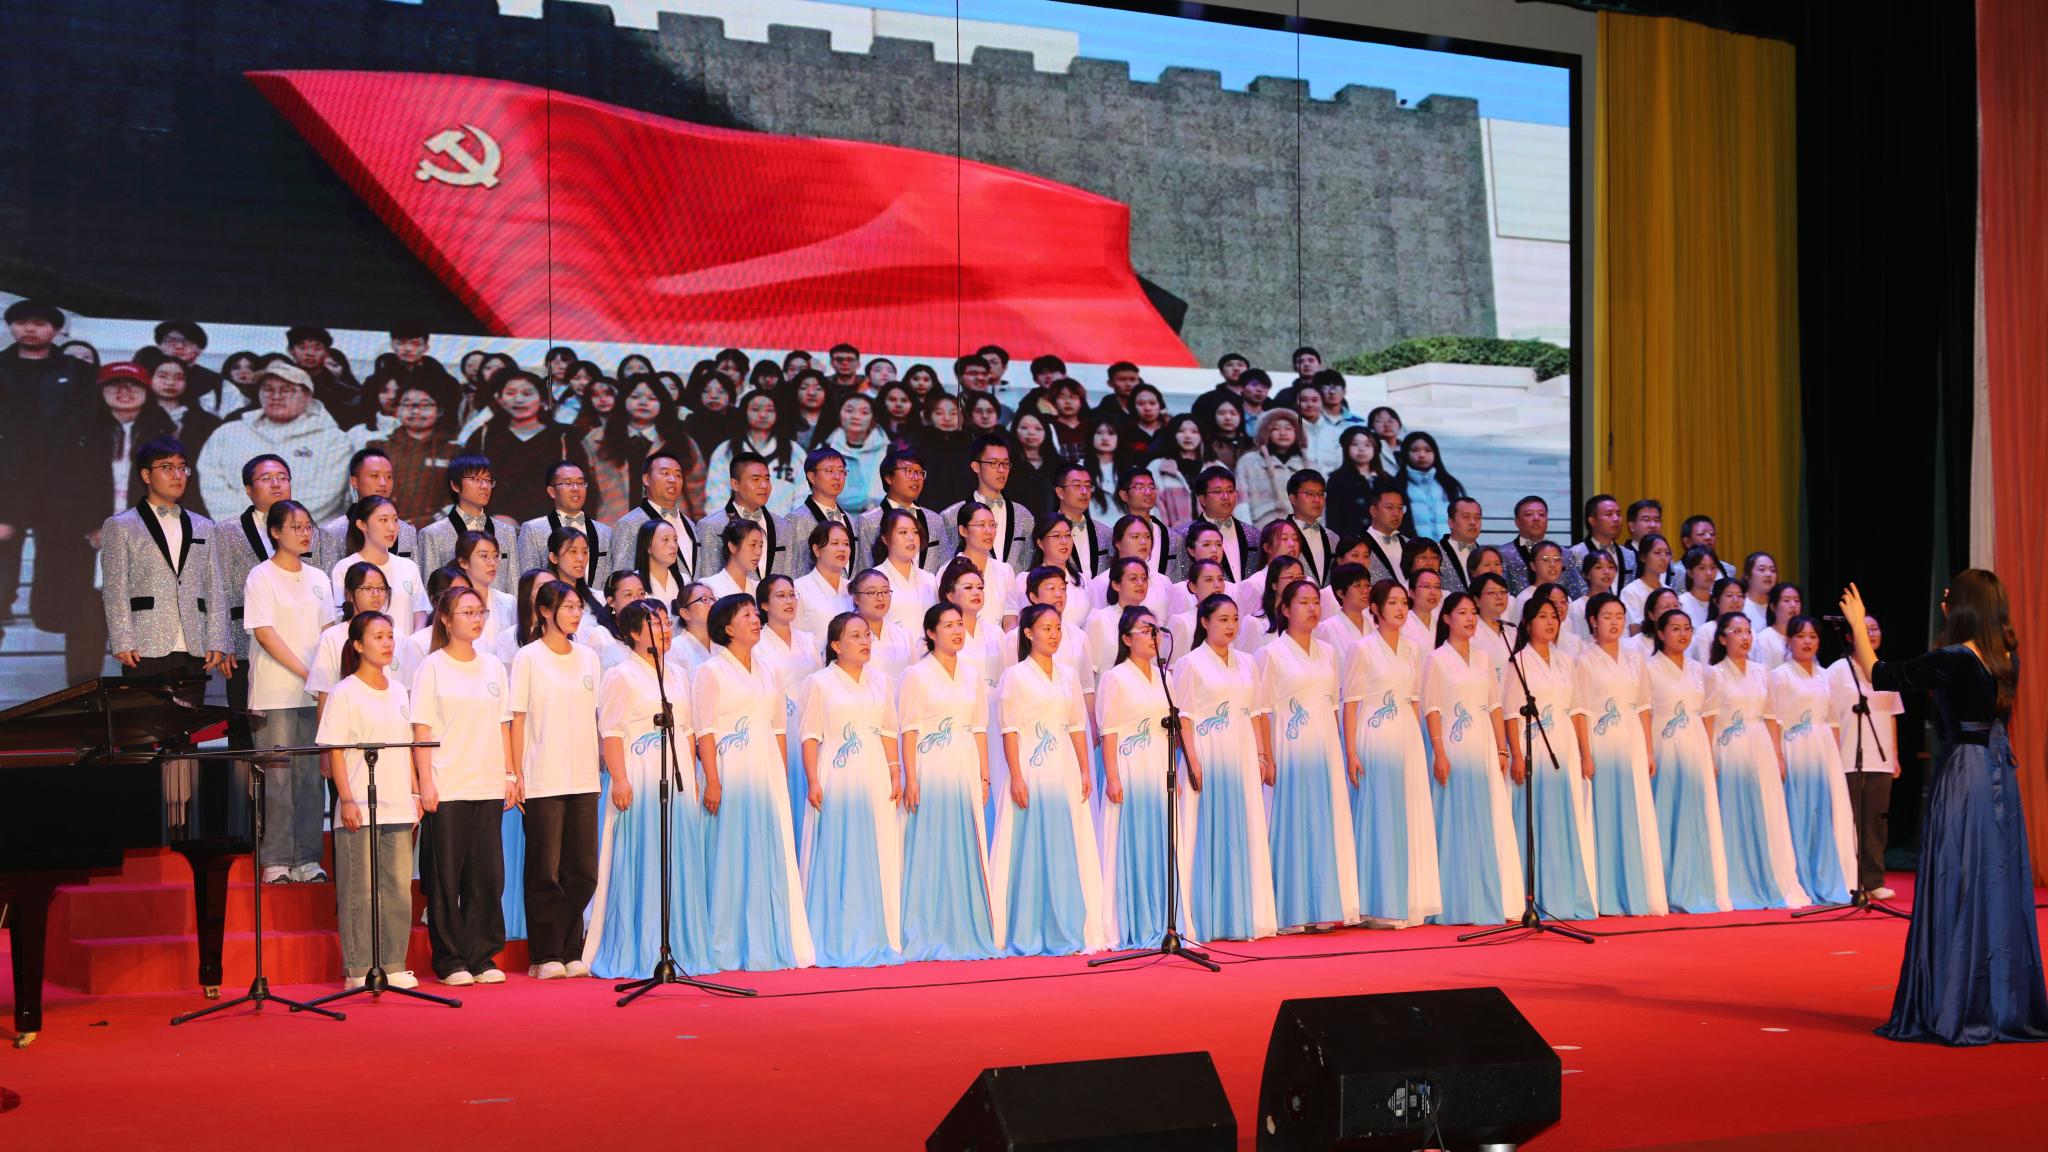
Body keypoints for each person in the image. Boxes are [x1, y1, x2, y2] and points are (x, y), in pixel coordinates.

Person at [1842, 575, 2048, 1045]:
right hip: (1999, 775)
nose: (1944, 600)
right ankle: (1999, 1002)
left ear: (1966, 606)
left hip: (1967, 776)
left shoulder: (1955, 659)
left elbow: (1881, 675)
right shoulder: (2006, 658)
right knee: (1994, 880)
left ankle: (1956, 1003)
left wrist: (1857, 624)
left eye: (1951, 596)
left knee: (1960, 878)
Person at [582, 598, 716, 979]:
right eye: (654, 624)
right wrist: (620, 778)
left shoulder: (677, 674)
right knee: (642, 857)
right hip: (639, 773)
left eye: (666, 624)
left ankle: (680, 945)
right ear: (633, 633)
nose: (664, 630)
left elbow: (687, 730)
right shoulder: (621, 675)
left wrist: (691, 777)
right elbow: (611, 732)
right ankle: (638, 946)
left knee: (677, 857)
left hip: (677, 773)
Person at [697, 593, 816, 971]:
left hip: (766, 769)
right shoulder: (711, 671)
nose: (754, 620)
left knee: (766, 847)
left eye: (754, 614)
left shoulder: (768, 670)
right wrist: (712, 780)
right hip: (729, 768)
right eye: (746, 615)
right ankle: (726, 940)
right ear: (727, 628)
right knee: (730, 850)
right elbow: (705, 730)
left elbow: (779, 728)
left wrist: (779, 774)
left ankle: (768, 936)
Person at [410, 586, 515, 985]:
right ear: (445, 619)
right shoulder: (432, 667)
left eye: (480, 612)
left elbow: (503, 725)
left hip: (487, 784)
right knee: (446, 878)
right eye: (467, 612)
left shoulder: (492, 667)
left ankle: (482, 955)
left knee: (487, 876)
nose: (475, 619)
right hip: (448, 784)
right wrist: (425, 783)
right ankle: (450, 959)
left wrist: (509, 775)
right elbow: (421, 730)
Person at [311, 610, 416, 998]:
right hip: (359, 803)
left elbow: (407, 748)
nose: (387, 643)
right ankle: (358, 967)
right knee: (360, 890)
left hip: (397, 803)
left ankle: (394, 964)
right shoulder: (344, 693)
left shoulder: (400, 690)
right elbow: (336, 751)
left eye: (390, 636)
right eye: (378, 637)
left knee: (398, 890)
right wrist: (347, 799)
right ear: (357, 645)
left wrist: (415, 794)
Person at [991, 603, 1106, 955]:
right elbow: (1009, 730)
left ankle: (1066, 924)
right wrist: (1016, 776)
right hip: (1031, 766)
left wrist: (1085, 768)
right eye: (1046, 628)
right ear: (1028, 633)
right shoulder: (1015, 676)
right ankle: (1027, 927)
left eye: (1057, 628)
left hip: (1064, 765)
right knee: (1029, 842)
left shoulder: (1068, 676)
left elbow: (1076, 726)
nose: (1054, 635)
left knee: (1065, 840)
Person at [796, 614, 905, 967]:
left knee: (877, 847)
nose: (864, 641)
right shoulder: (819, 682)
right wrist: (813, 780)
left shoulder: (881, 681)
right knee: (839, 848)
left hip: (874, 770)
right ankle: (836, 933)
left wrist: (895, 772)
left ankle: (877, 932)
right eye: (855, 636)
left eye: (867, 635)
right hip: (837, 772)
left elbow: (888, 731)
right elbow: (809, 735)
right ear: (836, 645)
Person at [509, 580, 604, 979]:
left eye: (579, 607)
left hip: (583, 776)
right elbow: (517, 719)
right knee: (545, 870)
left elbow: (595, 716)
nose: (576, 614)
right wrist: (515, 773)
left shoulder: (588, 658)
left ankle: (570, 949)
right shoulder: (528, 658)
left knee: (582, 870)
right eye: (567, 607)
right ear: (546, 612)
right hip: (543, 776)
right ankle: (545, 955)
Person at [1253, 579, 1357, 931]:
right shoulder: (1271, 653)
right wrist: (1267, 755)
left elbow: (1333, 706)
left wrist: (1338, 749)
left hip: (1324, 747)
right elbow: (1263, 710)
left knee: (1324, 821)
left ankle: (1323, 906)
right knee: (1293, 825)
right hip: (1290, 748)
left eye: (1316, 602)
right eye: (1303, 603)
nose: (1312, 609)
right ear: (1285, 609)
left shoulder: (1328, 652)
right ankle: (1292, 909)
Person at [898, 603, 999, 960]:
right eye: (948, 625)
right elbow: (909, 729)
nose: (957, 631)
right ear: (931, 633)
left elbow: (980, 728)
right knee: (930, 842)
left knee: (964, 841)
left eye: (960, 624)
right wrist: (911, 777)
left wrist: (984, 776)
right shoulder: (915, 675)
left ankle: (965, 925)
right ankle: (926, 926)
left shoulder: (972, 674)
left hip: (964, 762)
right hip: (930, 764)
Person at [1423, 592, 1522, 926]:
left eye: (1472, 613)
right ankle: (1457, 901)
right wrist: (1439, 752)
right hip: (1454, 746)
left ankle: (1490, 896)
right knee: (1456, 820)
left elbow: (1495, 705)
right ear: (1446, 618)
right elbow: (1432, 709)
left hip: (1484, 747)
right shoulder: (1437, 659)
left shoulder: (1483, 658)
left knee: (1488, 818)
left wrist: (1502, 749)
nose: (1469, 619)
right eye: (1462, 613)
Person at [101, 435, 233, 685]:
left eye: (182, 468)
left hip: (195, 644)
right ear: (146, 475)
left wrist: (218, 639)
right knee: (146, 711)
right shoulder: (121, 525)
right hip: (144, 644)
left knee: (190, 710)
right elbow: (114, 588)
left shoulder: (204, 526)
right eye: (167, 467)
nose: (177, 475)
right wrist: (122, 639)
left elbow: (215, 586)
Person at [1500, 586, 1598, 921]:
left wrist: (1585, 753)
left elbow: (1578, 711)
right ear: (1528, 624)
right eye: (1542, 616)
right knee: (1535, 815)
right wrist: (1516, 754)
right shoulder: (1518, 663)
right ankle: (1533, 895)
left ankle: (1563, 895)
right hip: (1533, 744)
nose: (1550, 622)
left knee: (1562, 817)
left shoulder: (1569, 662)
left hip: (1564, 744)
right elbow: (1511, 713)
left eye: (1554, 616)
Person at [1704, 612, 1811, 911]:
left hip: (1760, 746)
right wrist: (1709, 756)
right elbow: (1709, 720)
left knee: (1764, 812)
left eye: (1748, 631)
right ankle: (1736, 881)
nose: (1745, 637)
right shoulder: (1714, 674)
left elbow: (1771, 717)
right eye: (1737, 631)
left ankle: (1768, 878)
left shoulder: (1763, 672)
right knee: (1733, 812)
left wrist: (1778, 755)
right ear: (1723, 638)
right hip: (1729, 748)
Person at [1094, 606, 1186, 949]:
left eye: (1156, 631)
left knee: (1161, 840)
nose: (1153, 637)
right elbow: (1109, 731)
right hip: (1130, 766)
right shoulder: (1116, 678)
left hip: (1159, 766)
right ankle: (1135, 920)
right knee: (1134, 841)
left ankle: (1165, 921)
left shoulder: (1166, 678)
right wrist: (1113, 777)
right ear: (1126, 638)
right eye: (1145, 631)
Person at [1571, 593, 1668, 917]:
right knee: (1605, 813)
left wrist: (1649, 750)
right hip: (1601, 742)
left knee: (1634, 812)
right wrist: (1585, 754)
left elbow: (1643, 708)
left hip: (1631, 742)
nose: (1614, 622)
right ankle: (1607, 894)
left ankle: (1634, 893)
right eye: (1607, 616)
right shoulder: (1584, 661)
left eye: (1619, 616)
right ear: (1593, 621)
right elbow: (1580, 711)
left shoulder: (1635, 659)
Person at [1643, 609, 1732, 913]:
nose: (1682, 634)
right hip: (1664, 742)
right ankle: (1666, 886)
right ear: (1660, 633)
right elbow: (1645, 713)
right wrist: (1648, 751)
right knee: (1667, 811)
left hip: (1695, 743)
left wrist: (1709, 753)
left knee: (1695, 812)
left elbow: (1707, 716)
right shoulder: (1649, 668)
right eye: (1675, 628)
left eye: (1687, 628)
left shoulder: (1699, 670)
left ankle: (1697, 885)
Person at [1768, 615, 1855, 907]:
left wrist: (1835, 758)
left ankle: (1826, 878)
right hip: (1795, 749)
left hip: (1822, 750)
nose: (1807, 642)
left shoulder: (1825, 676)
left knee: (1822, 814)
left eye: (1813, 636)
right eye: (1801, 636)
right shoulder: (1780, 676)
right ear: (1789, 641)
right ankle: (1800, 878)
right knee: (1799, 812)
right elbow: (1775, 720)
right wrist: (1778, 755)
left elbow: (1833, 720)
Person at [198, 361, 353, 523]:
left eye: (286, 390)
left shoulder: (334, 440)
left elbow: (326, 493)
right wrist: (246, 524)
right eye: (268, 389)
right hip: (239, 531)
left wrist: (275, 525)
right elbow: (213, 484)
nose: (276, 396)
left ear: (307, 396)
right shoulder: (229, 433)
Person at [1828, 613, 1905, 898]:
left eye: (1874, 628)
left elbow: (1893, 714)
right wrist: (1832, 755)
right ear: (1850, 636)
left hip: (1880, 758)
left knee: (1875, 822)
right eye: (1864, 628)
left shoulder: (1886, 670)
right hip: (1848, 756)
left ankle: (1873, 881)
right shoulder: (1838, 671)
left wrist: (1894, 755)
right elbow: (1830, 717)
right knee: (1850, 822)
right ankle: (1849, 881)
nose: (1871, 633)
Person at [462, 370, 587, 522]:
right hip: (492, 522)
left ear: (543, 400)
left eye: (527, 394)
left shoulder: (563, 436)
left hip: (552, 524)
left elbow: (580, 486)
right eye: (510, 393)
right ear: (500, 399)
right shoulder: (484, 435)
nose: (519, 400)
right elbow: (467, 483)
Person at [754, 574, 820, 848]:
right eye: (780, 596)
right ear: (764, 605)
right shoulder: (757, 643)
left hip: (810, 724)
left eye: (792, 595)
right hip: (779, 726)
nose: (789, 601)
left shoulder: (808, 640)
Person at [414, 455, 517, 592]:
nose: (484, 486)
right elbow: (429, 589)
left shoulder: (506, 532)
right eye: (476, 479)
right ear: (455, 485)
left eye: (488, 480)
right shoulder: (432, 534)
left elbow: (514, 587)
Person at [330, 495, 427, 636]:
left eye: (395, 520)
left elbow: (420, 614)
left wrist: (410, 644)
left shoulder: (408, 567)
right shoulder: (344, 568)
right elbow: (342, 618)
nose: (392, 528)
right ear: (362, 525)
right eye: (383, 520)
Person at [317, 447, 419, 574]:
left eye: (388, 476)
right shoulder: (332, 532)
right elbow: (329, 580)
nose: (383, 482)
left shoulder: (407, 531)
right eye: (375, 476)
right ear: (355, 482)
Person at [703, 389, 802, 517]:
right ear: (744, 412)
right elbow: (717, 496)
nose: (763, 415)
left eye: (769, 410)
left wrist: (790, 526)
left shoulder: (794, 450)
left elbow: (803, 494)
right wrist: (732, 525)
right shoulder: (726, 450)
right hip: (736, 525)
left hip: (785, 525)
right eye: (755, 409)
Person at [941, 435, 1033, 570]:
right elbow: (946, 565)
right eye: (994, 463)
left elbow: (1029, 564)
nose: (1001, 470)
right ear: (976, 466)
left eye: (1005, 464)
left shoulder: (1023, 515)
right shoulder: (951, 516)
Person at [516, 460, 612, 589]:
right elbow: (528, 582)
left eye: (580, 483)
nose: (576, 489)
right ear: (552, 491)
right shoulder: (532, 530)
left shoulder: (605, 532)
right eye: (568, 483)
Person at [853, 447, 945, 575]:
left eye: (920, 472)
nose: (916, 477)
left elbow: (946, 566)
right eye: (909, 471)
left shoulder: (935, 520)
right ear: (888, 478)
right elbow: (863, 571)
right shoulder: (868, 521)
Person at [610, 449, 699, 580]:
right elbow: (621, 579)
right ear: (646, 479)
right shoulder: (629, 524)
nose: (672, 479)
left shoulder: (690, 524)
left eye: (678, 475)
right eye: (665, 473)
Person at [1169, 466, 1257, 584]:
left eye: (1230, 491)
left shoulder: (1253, 534)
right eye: (1218, 492)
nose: (1226, 497)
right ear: (1202, 499)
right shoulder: (1181, 536)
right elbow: (1176, 581)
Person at [784, 446, 856, 577]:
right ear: (812, 477)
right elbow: (789, 570)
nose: (837, 477)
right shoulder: (795, 520)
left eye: (841, 471)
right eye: (829, 471)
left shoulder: (850, 520)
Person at [951, 502, 1020, 635]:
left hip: (998, 645)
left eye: (992, 525)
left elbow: (1010, 619)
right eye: (981, 525)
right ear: (963, 530)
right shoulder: (949, 570)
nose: (989, 531)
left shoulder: (1005, 571)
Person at [871, 507, 940, 640]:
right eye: (903, 532)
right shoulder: (873, 579)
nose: (911, 538)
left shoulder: (929, 580)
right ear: (885, 539)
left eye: (915, 532)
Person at [1239, 408, 1308, 528]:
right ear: (1265, 433)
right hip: (1262, 528)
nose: (1283, 433)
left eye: (1288, 428)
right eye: (1275, 429)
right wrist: (1247, 532)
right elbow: (1241, 502)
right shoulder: (1249, 461)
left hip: (1301, 529)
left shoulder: (1308, 463)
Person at [1396, 432, 1465, 543]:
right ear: (1405, 453)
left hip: (1448, 549)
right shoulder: (1397, 486)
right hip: (1414, 550)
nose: (1422, 455)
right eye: (1415, 450)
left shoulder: (1449, 485)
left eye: (1428, 450)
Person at [1050, 462, 1112, 584]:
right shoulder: (1046, 529)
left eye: (1088, 486)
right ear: (1060, 492)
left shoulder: (1104, 531)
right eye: (1077, 485)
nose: (1084, 491)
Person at [795, 521, 855, 640]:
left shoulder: (853, 589)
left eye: (846, 544)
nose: (842, 549)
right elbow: (793, 635)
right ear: (817, 549)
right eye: (835, 543)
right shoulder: (798, 589)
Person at [1566, 495, 1631, 596]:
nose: (1616, 519)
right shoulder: (1575, 554)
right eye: (1609, 514)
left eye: (1618, 514)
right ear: (1592, 521)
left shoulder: (1629, 555)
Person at [1498, 495, 1553, 596]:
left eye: (1541, 514)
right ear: (1517, 522)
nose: (1536, 518)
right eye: (1529, 514)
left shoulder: (1564, 554)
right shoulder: (1503, 554)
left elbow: (1578, 592)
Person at [1360, 482, 1410, 588]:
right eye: (1390, 507)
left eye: (1400, 508)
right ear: (1373, 511)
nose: (1396, 513)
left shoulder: (1409, 544)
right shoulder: (1360, 545)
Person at [1620, 535, 1675, 629]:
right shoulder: (1630, 592)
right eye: (1657, 552)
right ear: (1643, 557)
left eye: (1667, 553)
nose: (1664, 558)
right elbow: (1634, 628)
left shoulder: (1669, 592)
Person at [1753, 582, 1804, 669]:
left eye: (1797, 601)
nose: (1793, 605)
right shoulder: (1765, 639)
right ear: (1773, 606)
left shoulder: (1804, 636)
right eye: (1786, 600)